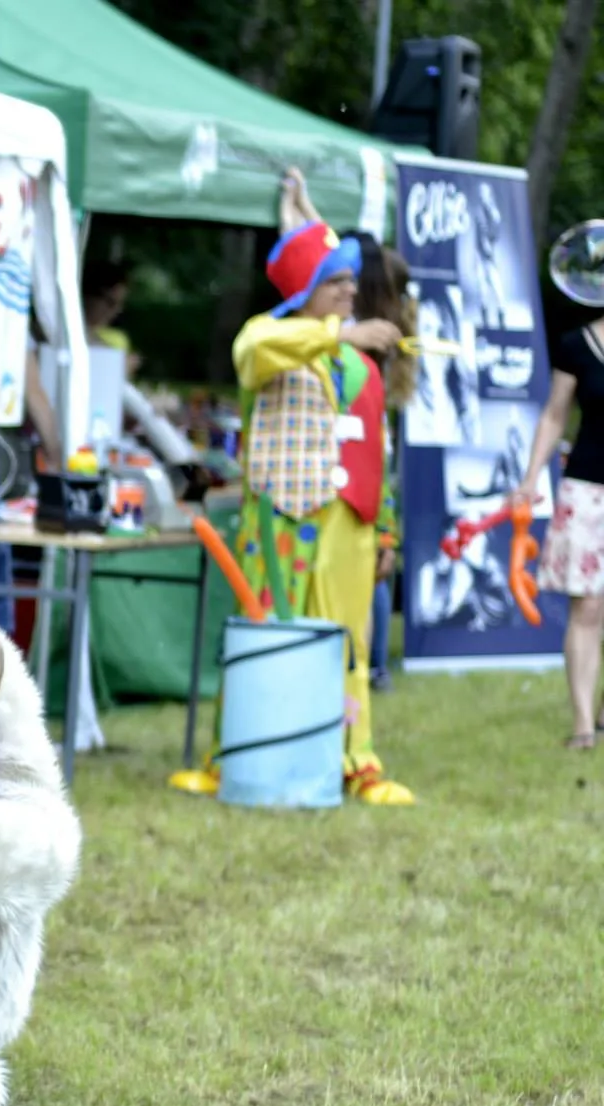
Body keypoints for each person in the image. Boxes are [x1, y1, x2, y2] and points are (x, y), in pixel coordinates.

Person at [169, 169, 413, 805]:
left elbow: (377, 452)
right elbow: (257, 344)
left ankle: (354, 760)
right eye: (337, 281)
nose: (351, 291)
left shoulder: (360, 365)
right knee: (263, 632)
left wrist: (385, 530)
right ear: (307, 291)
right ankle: (237, 754)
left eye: (351, 281)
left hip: (348, 527)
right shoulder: (268, 342)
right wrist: (338, 331)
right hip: (278, 520)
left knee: (349, 644)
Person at [514, 313, 604, 750]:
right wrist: (531, 476)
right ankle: (583, 724)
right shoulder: (576, 344)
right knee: (587, 606)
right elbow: (554, 415)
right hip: (587, 489)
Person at [344, 230, 417, 692]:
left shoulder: (362, 336)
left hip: (363, 459)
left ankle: (367, 665)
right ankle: (373, 667)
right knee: (377, 562)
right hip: (374, 458)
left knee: (373, 562)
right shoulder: (381, 325)